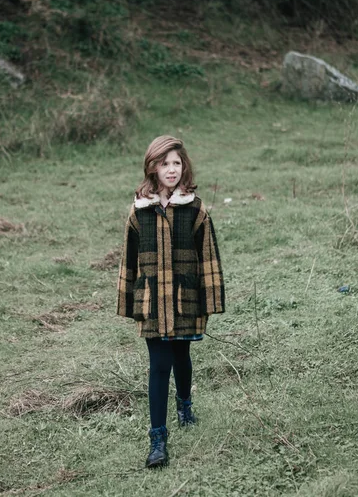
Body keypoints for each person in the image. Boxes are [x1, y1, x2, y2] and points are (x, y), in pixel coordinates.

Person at [116, 135, 225, 468]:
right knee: (159, 364)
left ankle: (185, 404)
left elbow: (208, 257)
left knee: (182, 355)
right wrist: (128, 302)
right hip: (151, 302)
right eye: (164, 163)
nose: (172, 169)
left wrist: (210, 299)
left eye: (177, 163)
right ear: (152, 167)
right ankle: (158, 439)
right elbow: (128, 261)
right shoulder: (139, 212)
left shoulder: (195, 209)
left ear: (184, 166)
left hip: (184, 298)